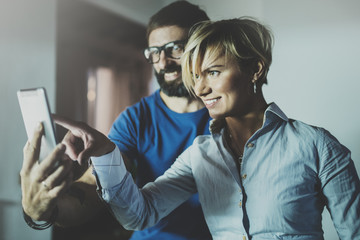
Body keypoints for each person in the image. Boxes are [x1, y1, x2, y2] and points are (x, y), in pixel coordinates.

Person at [36, 17, 360, 239]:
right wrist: (106, 153)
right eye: (196, 76)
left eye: (213, 72)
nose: (200, 89)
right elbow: (139, 214)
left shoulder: (318, 146)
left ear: (254, 69)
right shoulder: (201, 155)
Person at [20, 1, 212, 239]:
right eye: (154, 52)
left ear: (204, 48)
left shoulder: (229, 114)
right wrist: (44, 207)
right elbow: (96, 187)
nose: (163, 62)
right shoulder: (135, 119)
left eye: (175, 48)